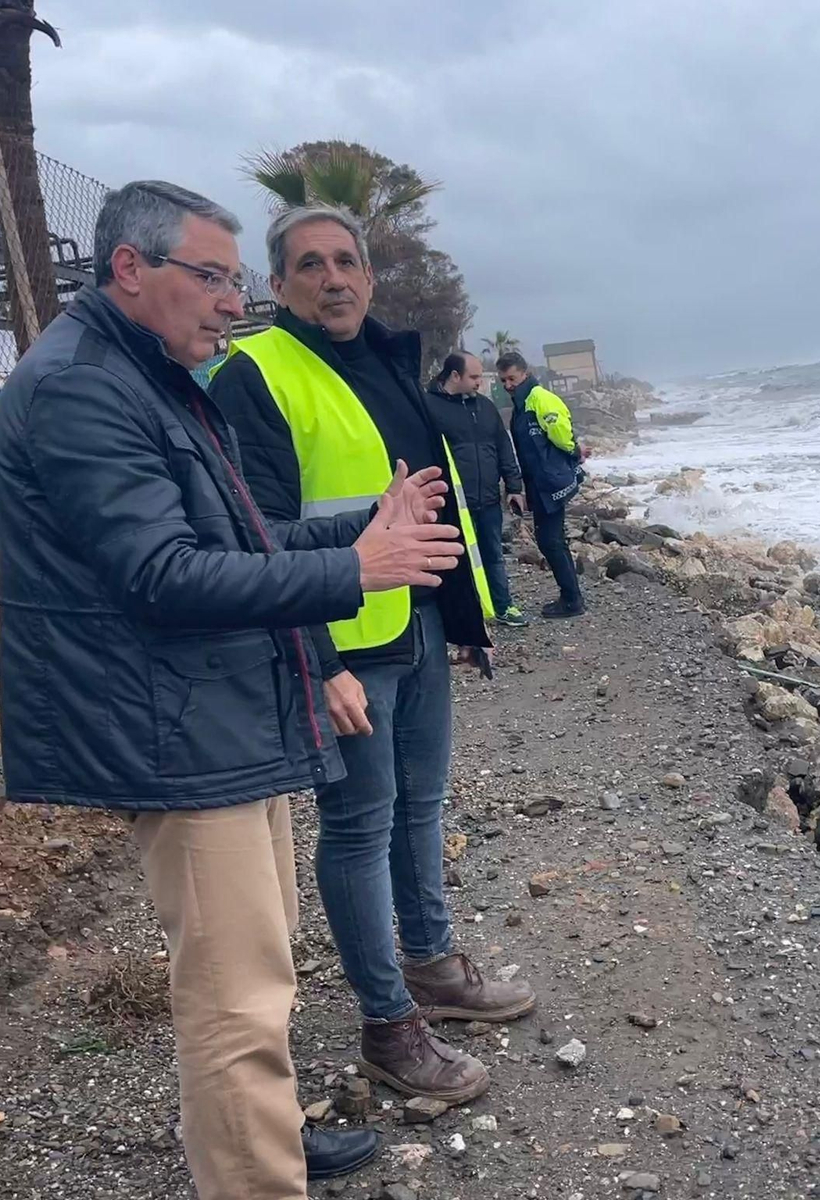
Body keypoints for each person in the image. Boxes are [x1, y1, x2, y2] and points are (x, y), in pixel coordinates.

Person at [0, 180, 467, 1200]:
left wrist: (355, 530)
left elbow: (240, 539)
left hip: (217, 712)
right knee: (234, 996)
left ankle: (264, 1133)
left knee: (259, 967)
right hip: (172, 728)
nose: (228, 300)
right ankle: (254, 1175)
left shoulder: (152, 377)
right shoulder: (81, 388)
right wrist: (356, 573)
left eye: (235, 279)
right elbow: (162, 577)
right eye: (210, 277)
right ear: (130, 268)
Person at [209, 204, 535, 1107]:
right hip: (345, 647)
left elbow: (431, 505)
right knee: (358, 826)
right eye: (309, 265)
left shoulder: (386, 363)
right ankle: (389, 1027)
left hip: (418, 625)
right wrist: (319, 661)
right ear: (277, 286)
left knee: (422, 805)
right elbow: (259, 538)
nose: (334, 278)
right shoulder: (257, 374)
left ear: (370, 276)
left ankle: (431, 967)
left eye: (346, 261)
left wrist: (466, 617)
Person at [426, 351, 528, 627]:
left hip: (489, 499)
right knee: (454, 560)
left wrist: (514, 485)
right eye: (474, 377)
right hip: (451, 502)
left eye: (481, 377)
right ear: (455, 376)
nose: (479, 383)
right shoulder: (428, 407)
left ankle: (503, 607)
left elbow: (502, 446)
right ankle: (462, 616)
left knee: (493, 554)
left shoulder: (485, 407)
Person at [496, 351, 587, 618]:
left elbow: (561, 431)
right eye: (503, 381)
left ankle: (572, 601)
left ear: (524, 373)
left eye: (511, 378)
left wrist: (574, 451)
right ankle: (572, 597)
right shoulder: (522, 403)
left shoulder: (539, 398)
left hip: (550, 481)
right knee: (552, 540)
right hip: (540, 482)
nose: (508, 385)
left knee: (550, 541)